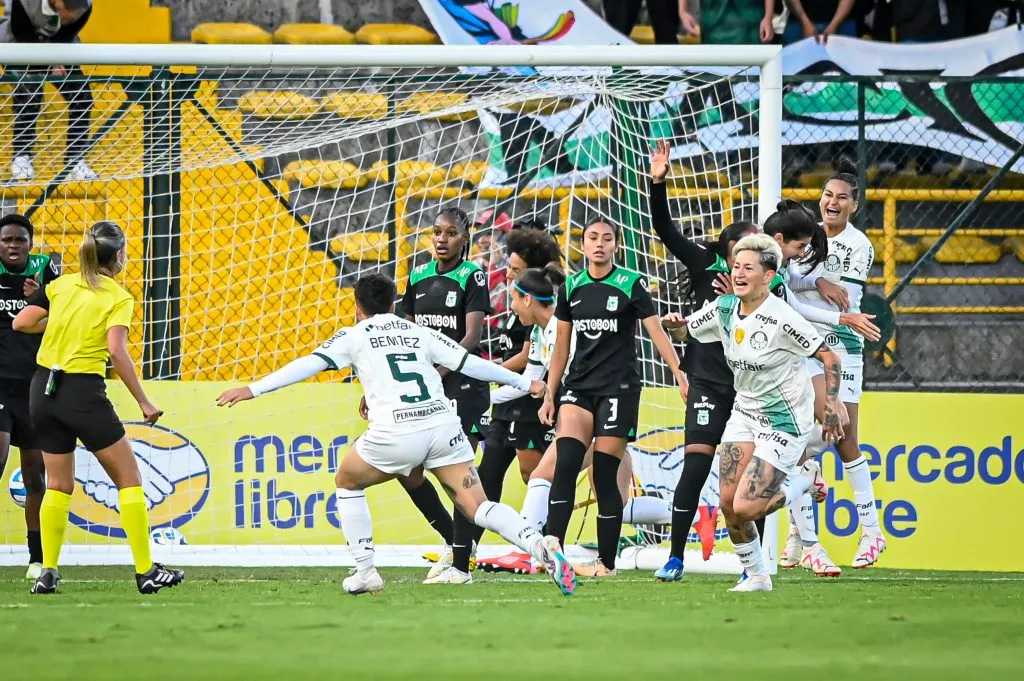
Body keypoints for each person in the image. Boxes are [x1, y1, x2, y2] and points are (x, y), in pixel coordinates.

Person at [217, 273, 576, 596]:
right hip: (440, 425)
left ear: (357, 307)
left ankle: (366, 570)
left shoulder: (354, 336)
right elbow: (469, 363)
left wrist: (254, 389)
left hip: (395, 432)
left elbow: (308, 364)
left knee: (346, 481)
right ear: (394, 304)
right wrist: (525, 382)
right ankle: (539, 544)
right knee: (477, 505)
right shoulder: (418, 331)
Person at [12, 221, 181, 594]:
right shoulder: (117, 296)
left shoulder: (60, 285)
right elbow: (117, 352)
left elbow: (22, 322)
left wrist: (63, 326)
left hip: (42, 389)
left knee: (58, 483)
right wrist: (143, 400)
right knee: (129, 479)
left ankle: (48, 572)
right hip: (82, 391)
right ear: (118, 255)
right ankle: (145, 569)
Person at [673, 233, 844, 592]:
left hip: (784, 419)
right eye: (736, 265)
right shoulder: (724, 309)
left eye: (748, 267)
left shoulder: (782, 317)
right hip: (744, 412)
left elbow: (829, 356)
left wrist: (830, 402)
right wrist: (676, 327)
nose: (738, 272)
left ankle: (804, 481)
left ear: (768, 276)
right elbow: (687, 331)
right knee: (727, 504)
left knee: (748, 507)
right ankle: (757, 575)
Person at [542, 218, 687, 578]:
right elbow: (561, 347)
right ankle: (552, 555)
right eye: (593, 238)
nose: (599, 244)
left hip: (619, 390)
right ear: (583, 244)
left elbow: (656, 334)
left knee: (605, 478)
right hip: (578, 389)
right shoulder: (572, 286)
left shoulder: (631, 284)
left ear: (616, 246)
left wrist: (679, 374)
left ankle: (606, 563)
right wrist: (549, 393)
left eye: (607, 238)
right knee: (565, 467)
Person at [645, 140, 758, 582]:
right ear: (727, 249)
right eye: (744, 247)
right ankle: (674, 556)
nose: (751, 255)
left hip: (751, 385)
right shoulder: (704, 263)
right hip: (708, 380)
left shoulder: (766, 280)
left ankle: (754, 566)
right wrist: (659, 182)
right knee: (695, 464)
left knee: (747, 480)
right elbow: (666, 230)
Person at [436, 227, 564, 583]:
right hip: (509, 401)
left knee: (537, 475)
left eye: (515, 269)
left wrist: (485, 381)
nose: (507, 273)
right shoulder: (516, 310)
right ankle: (464, 550)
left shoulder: (540, 313)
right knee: (486, 475)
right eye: (508, 267)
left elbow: (527, 360)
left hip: (531, 403)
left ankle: (546, 543)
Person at [784, 163, 887, 571]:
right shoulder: (807, 239)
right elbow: (786, 281)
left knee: (843, 441)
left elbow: (837, 299)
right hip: (799, 348)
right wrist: (814, 282)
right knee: (795, 445)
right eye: (828, 194)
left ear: (854, 206)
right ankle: (805, 539)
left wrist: (814, 283)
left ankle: (871, 532)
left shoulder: (859, 246)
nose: (833, 201)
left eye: (842, 197)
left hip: (840, 347)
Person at [400, 206, 492, 583]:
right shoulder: (417, 276)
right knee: (409, 469)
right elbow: (404, 334)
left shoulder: (472, 276)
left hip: (463, 386)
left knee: (459, 476)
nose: (441, 239)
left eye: (451, 233)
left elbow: (472, 336)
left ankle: (459, 566)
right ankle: (456, 544)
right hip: (426, 387)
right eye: (436, 232)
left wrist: (438, 371)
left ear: (465, 237)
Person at [0, 213, 61, 581]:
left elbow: (68, 315)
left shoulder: (46, 275)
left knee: (36, 476)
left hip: (35, 386)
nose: (12, 245)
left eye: (20, 240)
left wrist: (40, 298)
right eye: (6, 239)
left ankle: (36, 558)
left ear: (30, 243)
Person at [0, 0, 97, 182]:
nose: (73, 11)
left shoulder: (85, 7)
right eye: (68, 5)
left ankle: (74, 161)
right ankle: (21, 156)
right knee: (30, 91)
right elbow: (22, 35)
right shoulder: (26, 2)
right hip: (17, 45)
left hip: (58, 47)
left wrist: (56, 58)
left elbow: (68, 33)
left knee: (82, 96)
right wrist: (48, 64)